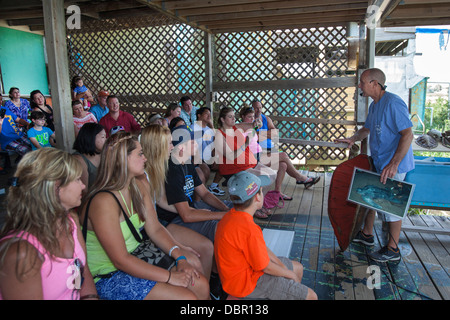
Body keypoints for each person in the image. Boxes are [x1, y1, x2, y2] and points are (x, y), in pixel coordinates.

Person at [79, 131, 209, 300]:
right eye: (140, 154)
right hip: (108, 274)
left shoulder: (138, 185)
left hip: (137, 254)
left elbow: (154, 228)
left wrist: (180, 256)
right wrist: (170, 277)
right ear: (122, 159)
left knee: (199, 283)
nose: (145, 158)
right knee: (186, 297)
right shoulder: (103, 201)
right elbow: (120, 260)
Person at [335, 68, 415, 262]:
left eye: (362, 82)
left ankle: (393, 249)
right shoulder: (375, 105)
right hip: (381, 161)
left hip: (394, 164)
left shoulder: (393, 103)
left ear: (375, 84)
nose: (359, 86)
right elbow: (367, 129)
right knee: (373, 198)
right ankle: (367, 234)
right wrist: (353, 138)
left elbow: (408, 134)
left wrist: (394, 164)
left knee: (390, 205)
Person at [0, 148, 98, 300]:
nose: (83, 186)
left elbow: (80, 272)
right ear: (55, 187)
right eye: (77, 179)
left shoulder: (69, 222)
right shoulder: (21, 253)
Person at [214, 171, 317, 300]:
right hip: (246, 284)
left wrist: (282, 265)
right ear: (257, 197)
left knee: (298, 267)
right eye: (262, 191)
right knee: (311, 296)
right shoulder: (249, 229)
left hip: (242, 273)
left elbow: (261, 249)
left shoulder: (231, 216)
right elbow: (264, 267)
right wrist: (289, 274)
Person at [139, 124, 214, 282]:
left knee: (205, 245)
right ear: (157, 147)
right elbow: (151, 222)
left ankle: (207, 286)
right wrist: (176, 244)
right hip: (148, 230)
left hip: (157, 224)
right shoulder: (142, 175)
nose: (172, 147)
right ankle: (204, 289)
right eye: (169, 143)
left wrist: (188, 210)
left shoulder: (157, 168)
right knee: (201, 251)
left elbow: (161, 200)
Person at [156, 125, 232, 243]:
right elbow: (186, 215)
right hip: (175, 218)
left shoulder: (186, 161)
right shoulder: (173, 171)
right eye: (192, 142)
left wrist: (225, 209)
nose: (196, 144)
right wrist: (223, 215)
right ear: (181, 147)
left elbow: (205, 193)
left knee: (236, 207)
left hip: (191, 209)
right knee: (222, 227)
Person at [240, 106, 319, 198]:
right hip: (252, 159)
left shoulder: (253, 127)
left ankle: (277, 192)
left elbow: (274, 134)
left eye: (253, 117)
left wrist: (258, 131)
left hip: (260, 154)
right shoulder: (241, 129)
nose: (252, 119)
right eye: (249, 117)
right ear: (242, 117)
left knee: (283, 165)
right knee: (284, 155)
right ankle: (301, 178)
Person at [215, 107, 276, 218]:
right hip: (234, 167)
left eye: (234, 116)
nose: (233, 119)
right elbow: (229, 156)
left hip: (249, 162)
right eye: (230, 117)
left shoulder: (236, 127)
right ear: (222, 119)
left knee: (272, 175)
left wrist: (257, 123)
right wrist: (246, 144)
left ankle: (255, 203)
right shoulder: (219, 134)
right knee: (260, 179)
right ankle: (252, 207)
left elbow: (253, 125)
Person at [72, 123, 107, 193]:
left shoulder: (103, 154)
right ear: (91, 137)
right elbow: (84, 192)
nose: (106, 140)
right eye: (103, 137)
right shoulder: (79, 160)